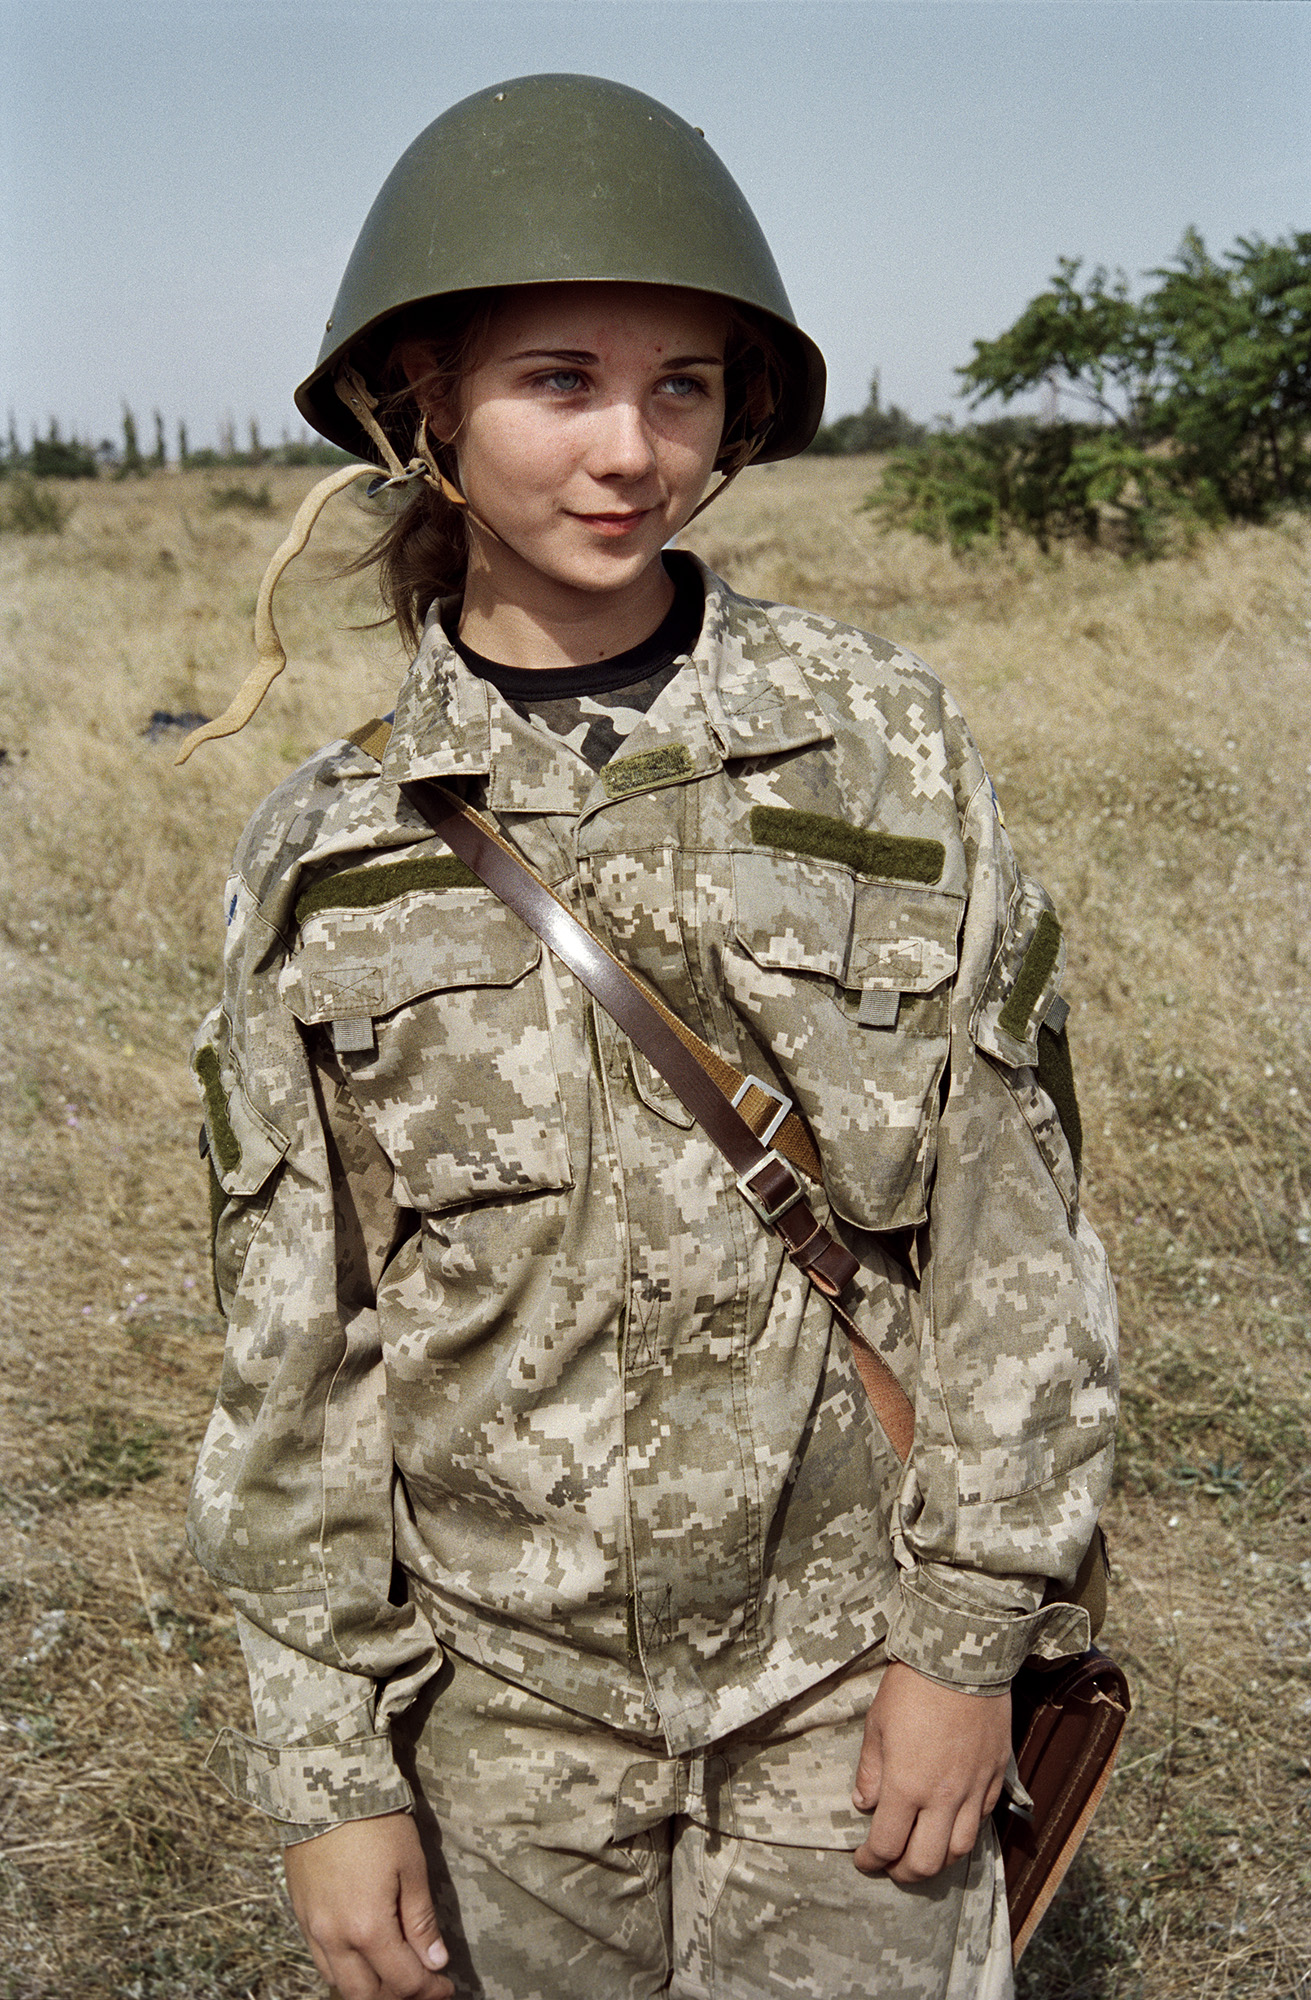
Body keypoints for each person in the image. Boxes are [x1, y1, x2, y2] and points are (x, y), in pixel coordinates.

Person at [185, 74, 1118, 2000]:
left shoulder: (886, 744)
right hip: (503, 1728)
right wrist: (325, 1771)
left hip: (844, 1688)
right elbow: (299, 1353)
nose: (629, 449)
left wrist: (964, 1642)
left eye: (682, 387)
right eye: (557, 381)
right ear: (422, 404)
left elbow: (1011, 1220)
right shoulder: (331, 849)